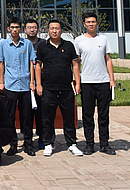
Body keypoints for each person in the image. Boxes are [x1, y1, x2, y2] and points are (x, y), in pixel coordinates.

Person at [35, 19, 82, 157]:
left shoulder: (68, 45)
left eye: (57, 28)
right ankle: (48, 143)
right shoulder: (43, 46)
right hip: (48, 88)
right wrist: (38, 84)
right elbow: (38, 66)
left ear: (61, 30)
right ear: (48, 30)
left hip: (66, 88)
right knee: (47, 118)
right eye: (52, 28)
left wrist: (77, 82)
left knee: (69, 118)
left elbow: (75, 64)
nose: (54, 31)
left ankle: (72, 144)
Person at [74, 12, 116, 155]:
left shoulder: (103, 39)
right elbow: (76, 63)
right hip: (87, 83)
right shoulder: (79, 40)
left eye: (93, 21)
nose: (91, 24)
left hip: (103, 81)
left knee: (104, 115)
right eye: (88, 22)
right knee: (88, 115)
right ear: (84, 24)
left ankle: (105, 144)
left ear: (97, 23)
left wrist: (111, 80)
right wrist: (77, 82)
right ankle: (89, 144)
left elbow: (108, 59)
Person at [0, 16, 37, 156]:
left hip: (25, 85)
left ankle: (28, 144)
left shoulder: (27, 44)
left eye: (17, 27)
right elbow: (1, 63)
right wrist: (2, 81)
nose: (15, 30)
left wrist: (32, 82)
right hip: (10, 85)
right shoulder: (3, 44)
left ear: (21, 29)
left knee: (27, 116)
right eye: (12, 27)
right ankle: (13, 144)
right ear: (8, 29)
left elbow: (32, 63)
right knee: (10, 116)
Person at [24, 19, 45, 152]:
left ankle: (42, 137)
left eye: (34, 27)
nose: (32, 30)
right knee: (27, 113)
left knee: (41, 112)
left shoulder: (43, 43)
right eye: (29, 27)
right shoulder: (23, 43)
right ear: (25, 29)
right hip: (25, 83)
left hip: (41, 83)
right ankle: (28, 139)